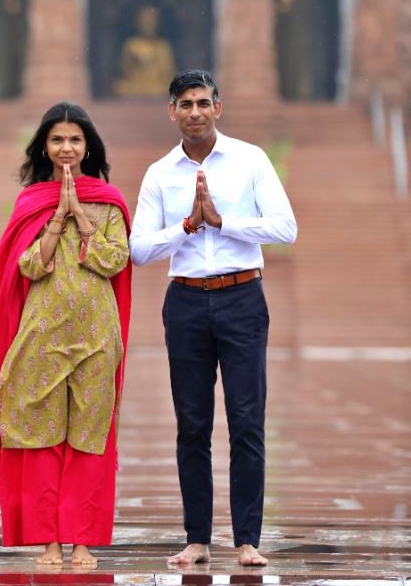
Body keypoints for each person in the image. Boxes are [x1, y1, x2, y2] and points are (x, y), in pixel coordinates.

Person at [129, 70, 297, 567]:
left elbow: (285, 226)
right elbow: (138, 248)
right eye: (186, 104)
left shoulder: (250, 160)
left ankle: (247, 539)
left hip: (242, 296)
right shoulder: (160, 173)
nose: (196, 112)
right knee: (192, 424)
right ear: (172, 112)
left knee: (247, 422)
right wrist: (186, 227)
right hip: (185, 302)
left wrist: (226, 222)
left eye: (204, 103)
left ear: (218, 108)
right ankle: (197, 538)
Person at [0, 101, 132, 566]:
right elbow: (28, 265)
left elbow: (115, 260)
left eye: (74, 139)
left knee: (89, 435)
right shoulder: (31, 201)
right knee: (42, 436)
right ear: (44, 147)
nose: (66, 147)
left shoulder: (108, 201)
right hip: (42, 332)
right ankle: (49, 541)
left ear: (88, 147)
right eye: (57, 140)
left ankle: (83, 540)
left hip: (95, 334)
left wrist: (81, 216)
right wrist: (56, 219)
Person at [112, 5, 176, 97]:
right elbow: (124, 71)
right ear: (137, 23)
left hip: (156, 85)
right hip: (135, 85)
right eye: (145, 22)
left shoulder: (162, 45)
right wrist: (134, 61)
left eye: (151, 23)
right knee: (118, 86)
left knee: (171, 87)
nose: (148, 25)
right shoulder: (131, 44)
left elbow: (168, 72)